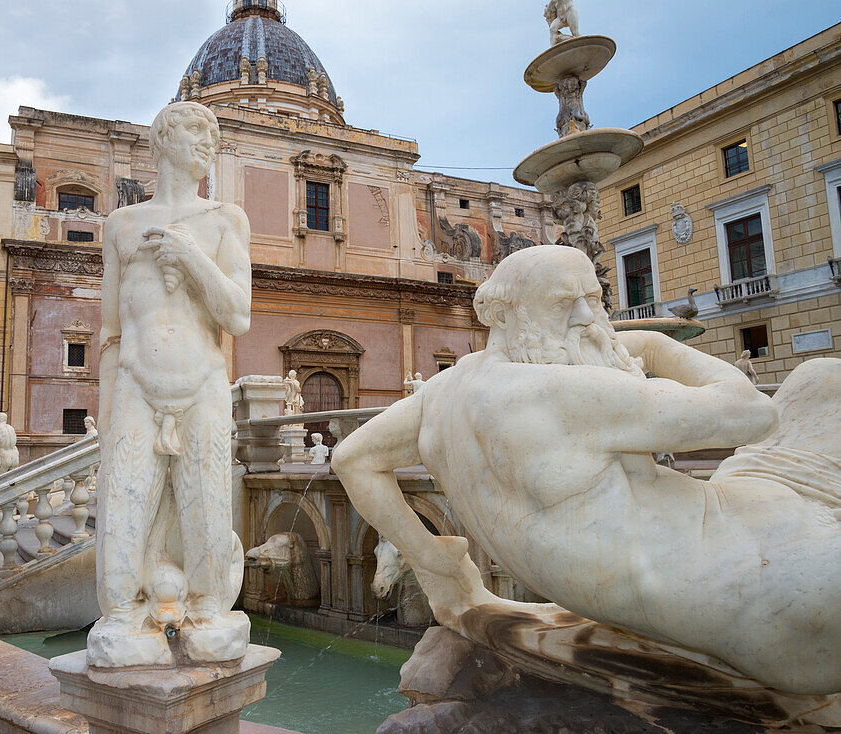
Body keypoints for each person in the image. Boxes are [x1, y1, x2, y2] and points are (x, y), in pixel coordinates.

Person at [332, 245, 840, 694]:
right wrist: (656, 345)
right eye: (561, 303)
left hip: (746, 543)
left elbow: (351, 459)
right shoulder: (562, 394)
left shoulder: (446, 391)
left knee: (821, 380)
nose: (584, 317)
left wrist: (434, 562)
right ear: (505, 315)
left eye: (594, 300)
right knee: (823, 381)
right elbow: (752, 411)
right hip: (775, 598)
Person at [92, 101, 252, 668]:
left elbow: (238, 315)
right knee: (124, 502)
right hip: (137, 380)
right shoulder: (122, 224)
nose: (207, 141)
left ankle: (208, 609)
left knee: (208, 504)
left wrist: (190, 257)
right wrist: (106, 410)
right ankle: (120, 613)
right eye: (194, 130)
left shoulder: (225, 220)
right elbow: (110, 330)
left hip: (203, 380)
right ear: (162, 140)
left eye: (213, 132)